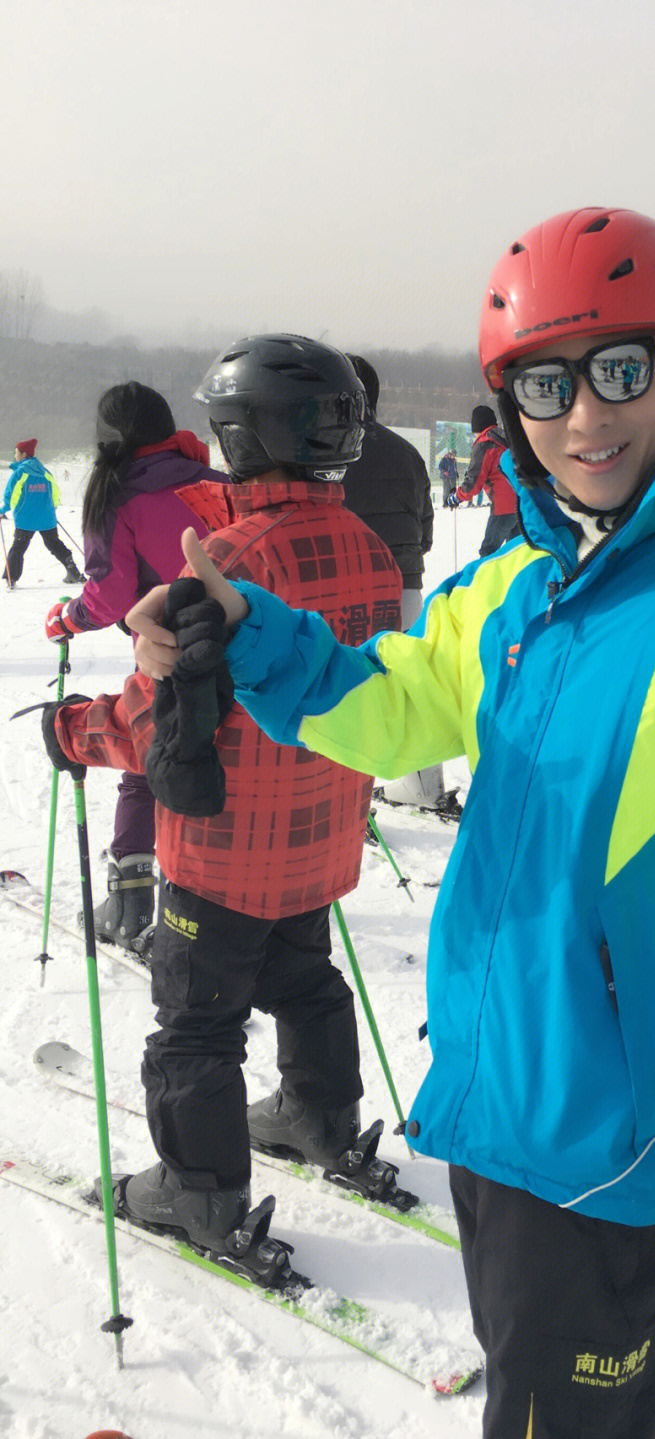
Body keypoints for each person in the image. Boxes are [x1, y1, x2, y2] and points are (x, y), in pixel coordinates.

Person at [126, 211, 655, 1439]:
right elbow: (384, 704)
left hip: (621, 1141)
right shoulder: (516, 587)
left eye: (622, 371)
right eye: (548, 382)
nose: (586, 417)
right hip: (496, 1113)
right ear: (511, 406)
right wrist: (244, 627)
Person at [42, 335, 407, 1267]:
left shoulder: (223, 562)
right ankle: (320, 1113)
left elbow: (152, 717)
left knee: (196, 1023)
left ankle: (200, 1191)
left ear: (244, 437)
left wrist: (72, 731)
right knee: (305, 977)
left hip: (222, 856)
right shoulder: (370, 549)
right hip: (321, 839)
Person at [43, 382, 227, 950]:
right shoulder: (219, 480)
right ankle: (219, 896)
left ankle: (131, 899)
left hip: (170, 652)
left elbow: (113, 595)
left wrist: (68, 618)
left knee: (148, 762)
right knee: (227, 763)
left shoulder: (115, 496)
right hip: (243, 642)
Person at [340, 354, 453, 814]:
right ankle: (425, 788)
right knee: (412, 685)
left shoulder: (328, 450)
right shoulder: (406, 452)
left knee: (347, 689)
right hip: (405, 589)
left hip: (347, 591)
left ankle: (349, 803)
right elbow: (425, 527)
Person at [1, 439, 83, 586]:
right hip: (47, 518)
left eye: (16, 452)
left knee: (18, 547)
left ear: (23, 454)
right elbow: (55, 495)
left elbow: (11, 494)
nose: (15, 455)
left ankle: (11, 578)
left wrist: (3, 510)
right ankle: (74, 572)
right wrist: (51, 510)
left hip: (26, 519)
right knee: (54, 544)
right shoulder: (45, 472)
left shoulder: (21, 472)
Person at [449, 404, 520, 554]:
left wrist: (457, 497)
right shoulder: (508, 438)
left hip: (503, 506)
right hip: (522, 504)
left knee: (489, 552)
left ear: (476, 427)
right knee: (515, 553)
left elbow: (474, 482)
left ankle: (490, 578)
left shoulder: (485, 444)